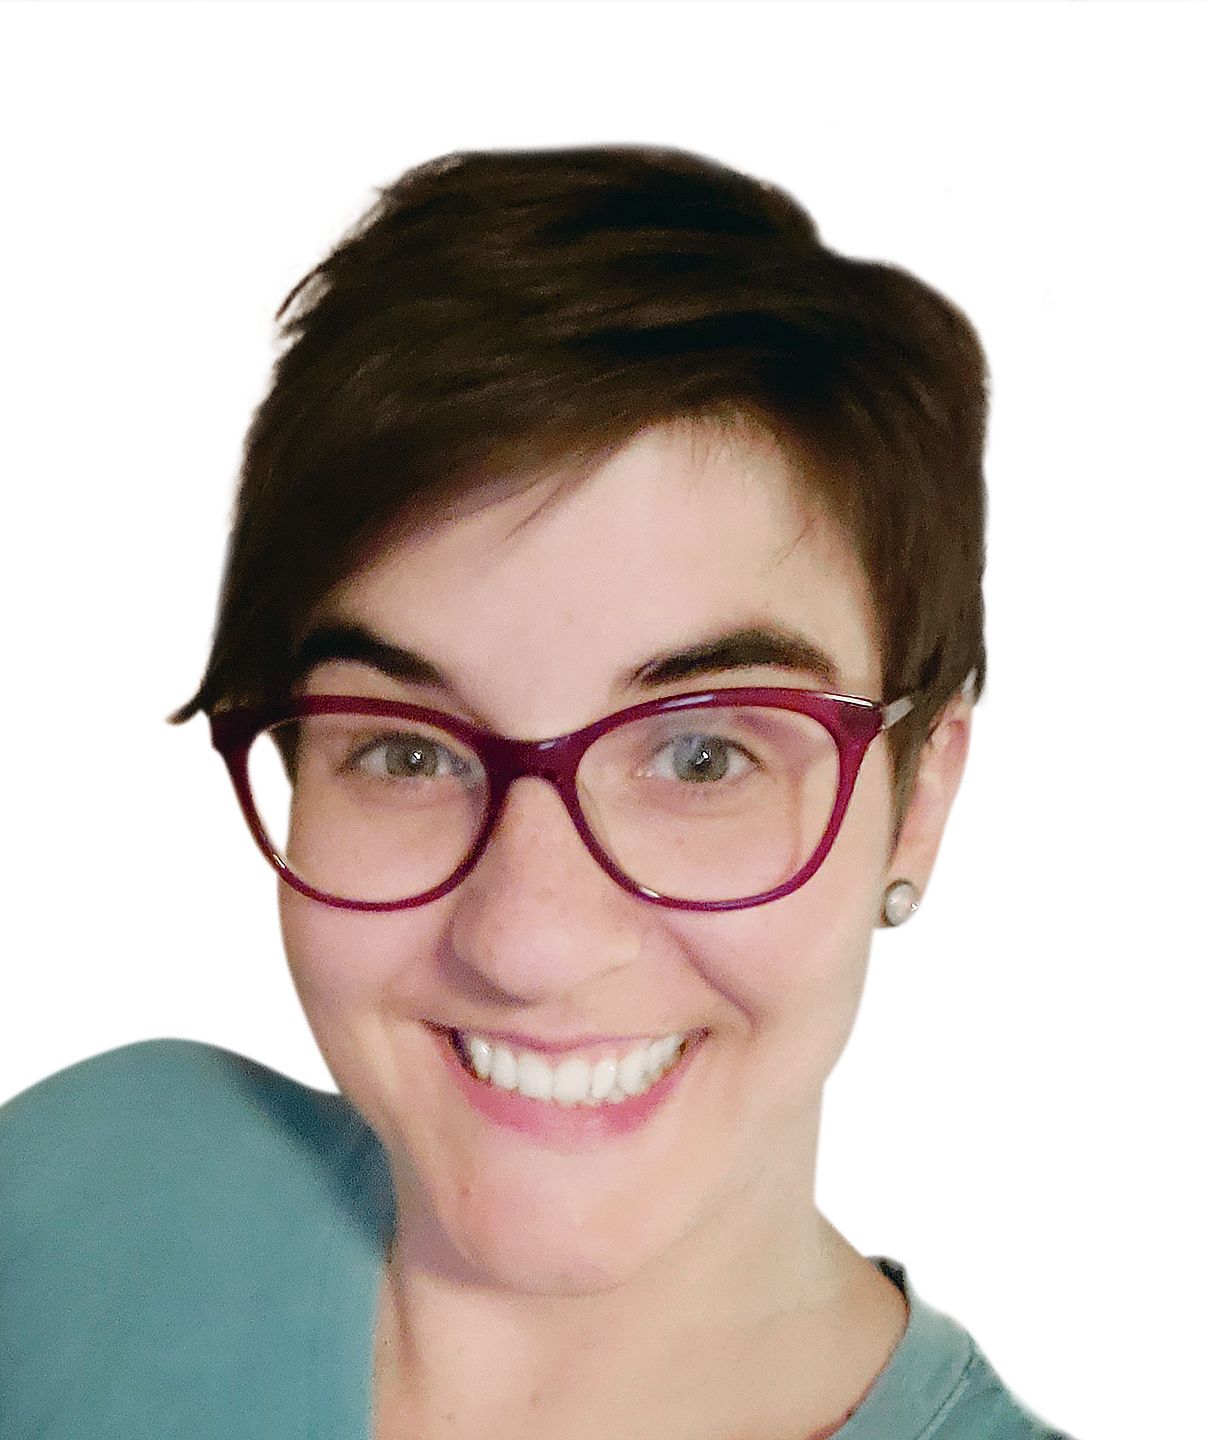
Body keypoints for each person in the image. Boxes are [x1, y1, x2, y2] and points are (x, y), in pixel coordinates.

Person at [0, 144, 1074, 1439]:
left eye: (701, 756)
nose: (528, 943)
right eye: (406, 753)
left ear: (917, 804)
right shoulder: (78, 1197)